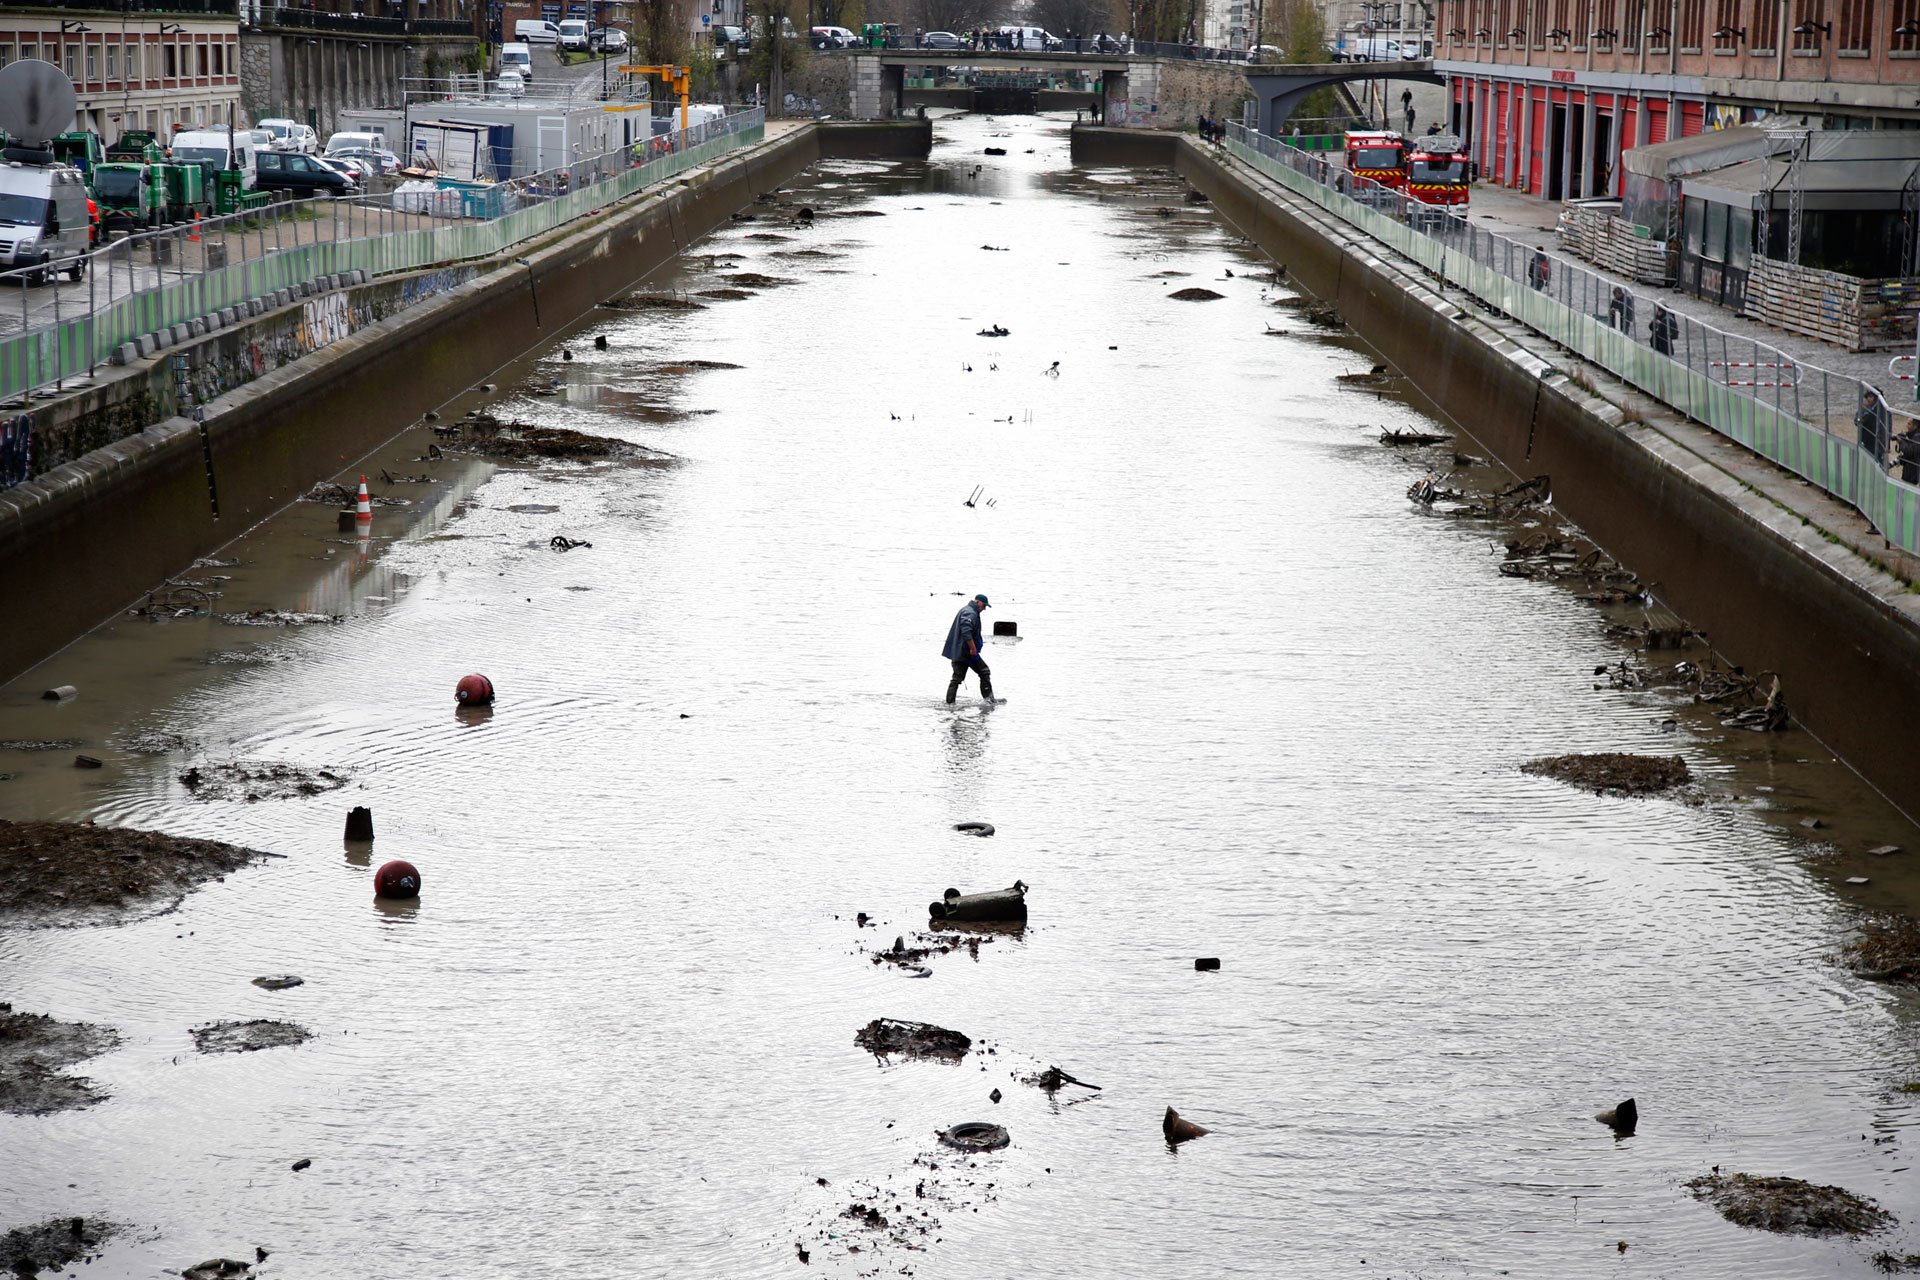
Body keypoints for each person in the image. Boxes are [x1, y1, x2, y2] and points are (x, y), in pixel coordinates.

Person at [943, 594, 996, 706]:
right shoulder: (970, 613)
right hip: (966, 652)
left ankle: (950, 704)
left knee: (958, 678)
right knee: (983, 672)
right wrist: (972, 648)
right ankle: (989, 700)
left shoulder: (969, 611)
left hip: (962, 651)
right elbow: (966, 631)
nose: (984, 608)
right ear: (977, 602)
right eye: (984, 605)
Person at [1855, 388, 1892, 469]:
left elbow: (1858, 422)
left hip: (1875, 443)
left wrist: (1862, 410)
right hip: (1873, 442)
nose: (1868, 399)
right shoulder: (1875, 408)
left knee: (1875, 466)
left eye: (1870, 397)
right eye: (1868, 397)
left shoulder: (1877, 410)